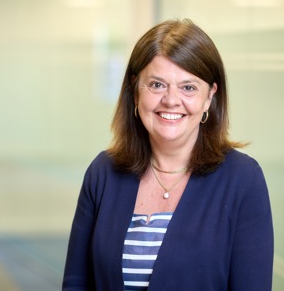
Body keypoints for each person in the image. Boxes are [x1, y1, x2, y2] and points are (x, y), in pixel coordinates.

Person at [62, 19, 273, 290]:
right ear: (135, 90)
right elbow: (76, 283)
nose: (171, 100)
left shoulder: (243, 179)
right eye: (157, 85)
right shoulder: (103, 173)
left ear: (210, 96)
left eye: (188, 87)